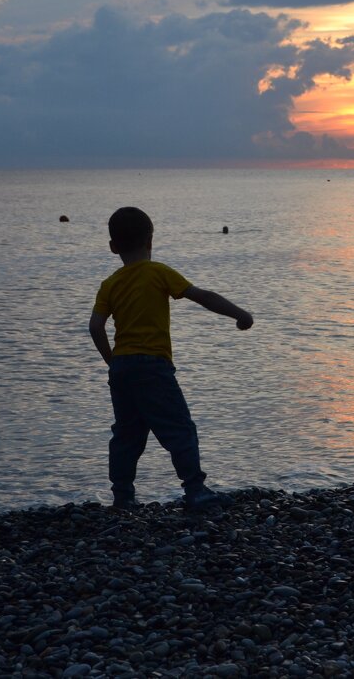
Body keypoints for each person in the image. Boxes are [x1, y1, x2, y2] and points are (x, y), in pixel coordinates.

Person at [88, 207, 253, 510]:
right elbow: (201, 296)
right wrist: (239, 313)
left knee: (127, 434)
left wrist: (113, 362)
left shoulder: (110, 284)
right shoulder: (158, 272)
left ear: (113, 247)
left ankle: (122, 495)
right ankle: (195, 489)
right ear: (151, 241)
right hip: (153, 365)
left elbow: (96, 326)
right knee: (178, 428)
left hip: (122, 368)